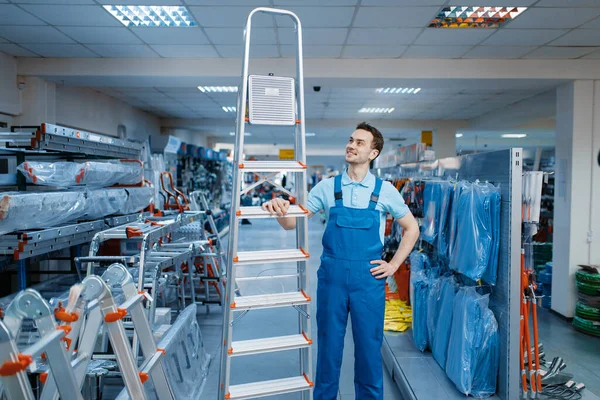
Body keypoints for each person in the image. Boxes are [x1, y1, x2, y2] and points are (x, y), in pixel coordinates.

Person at [262, 122, 420, 400]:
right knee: (328, 350)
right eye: (350, 140)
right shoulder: (326, 188)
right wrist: (279, 209)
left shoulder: (385, 191)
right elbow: (291, 224)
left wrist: (393, 265)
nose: (351, 145)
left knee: (370, 351)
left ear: (373, 153)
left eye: (360, 142)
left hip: (369, 281)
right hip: (332, 279)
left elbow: (412, 228)